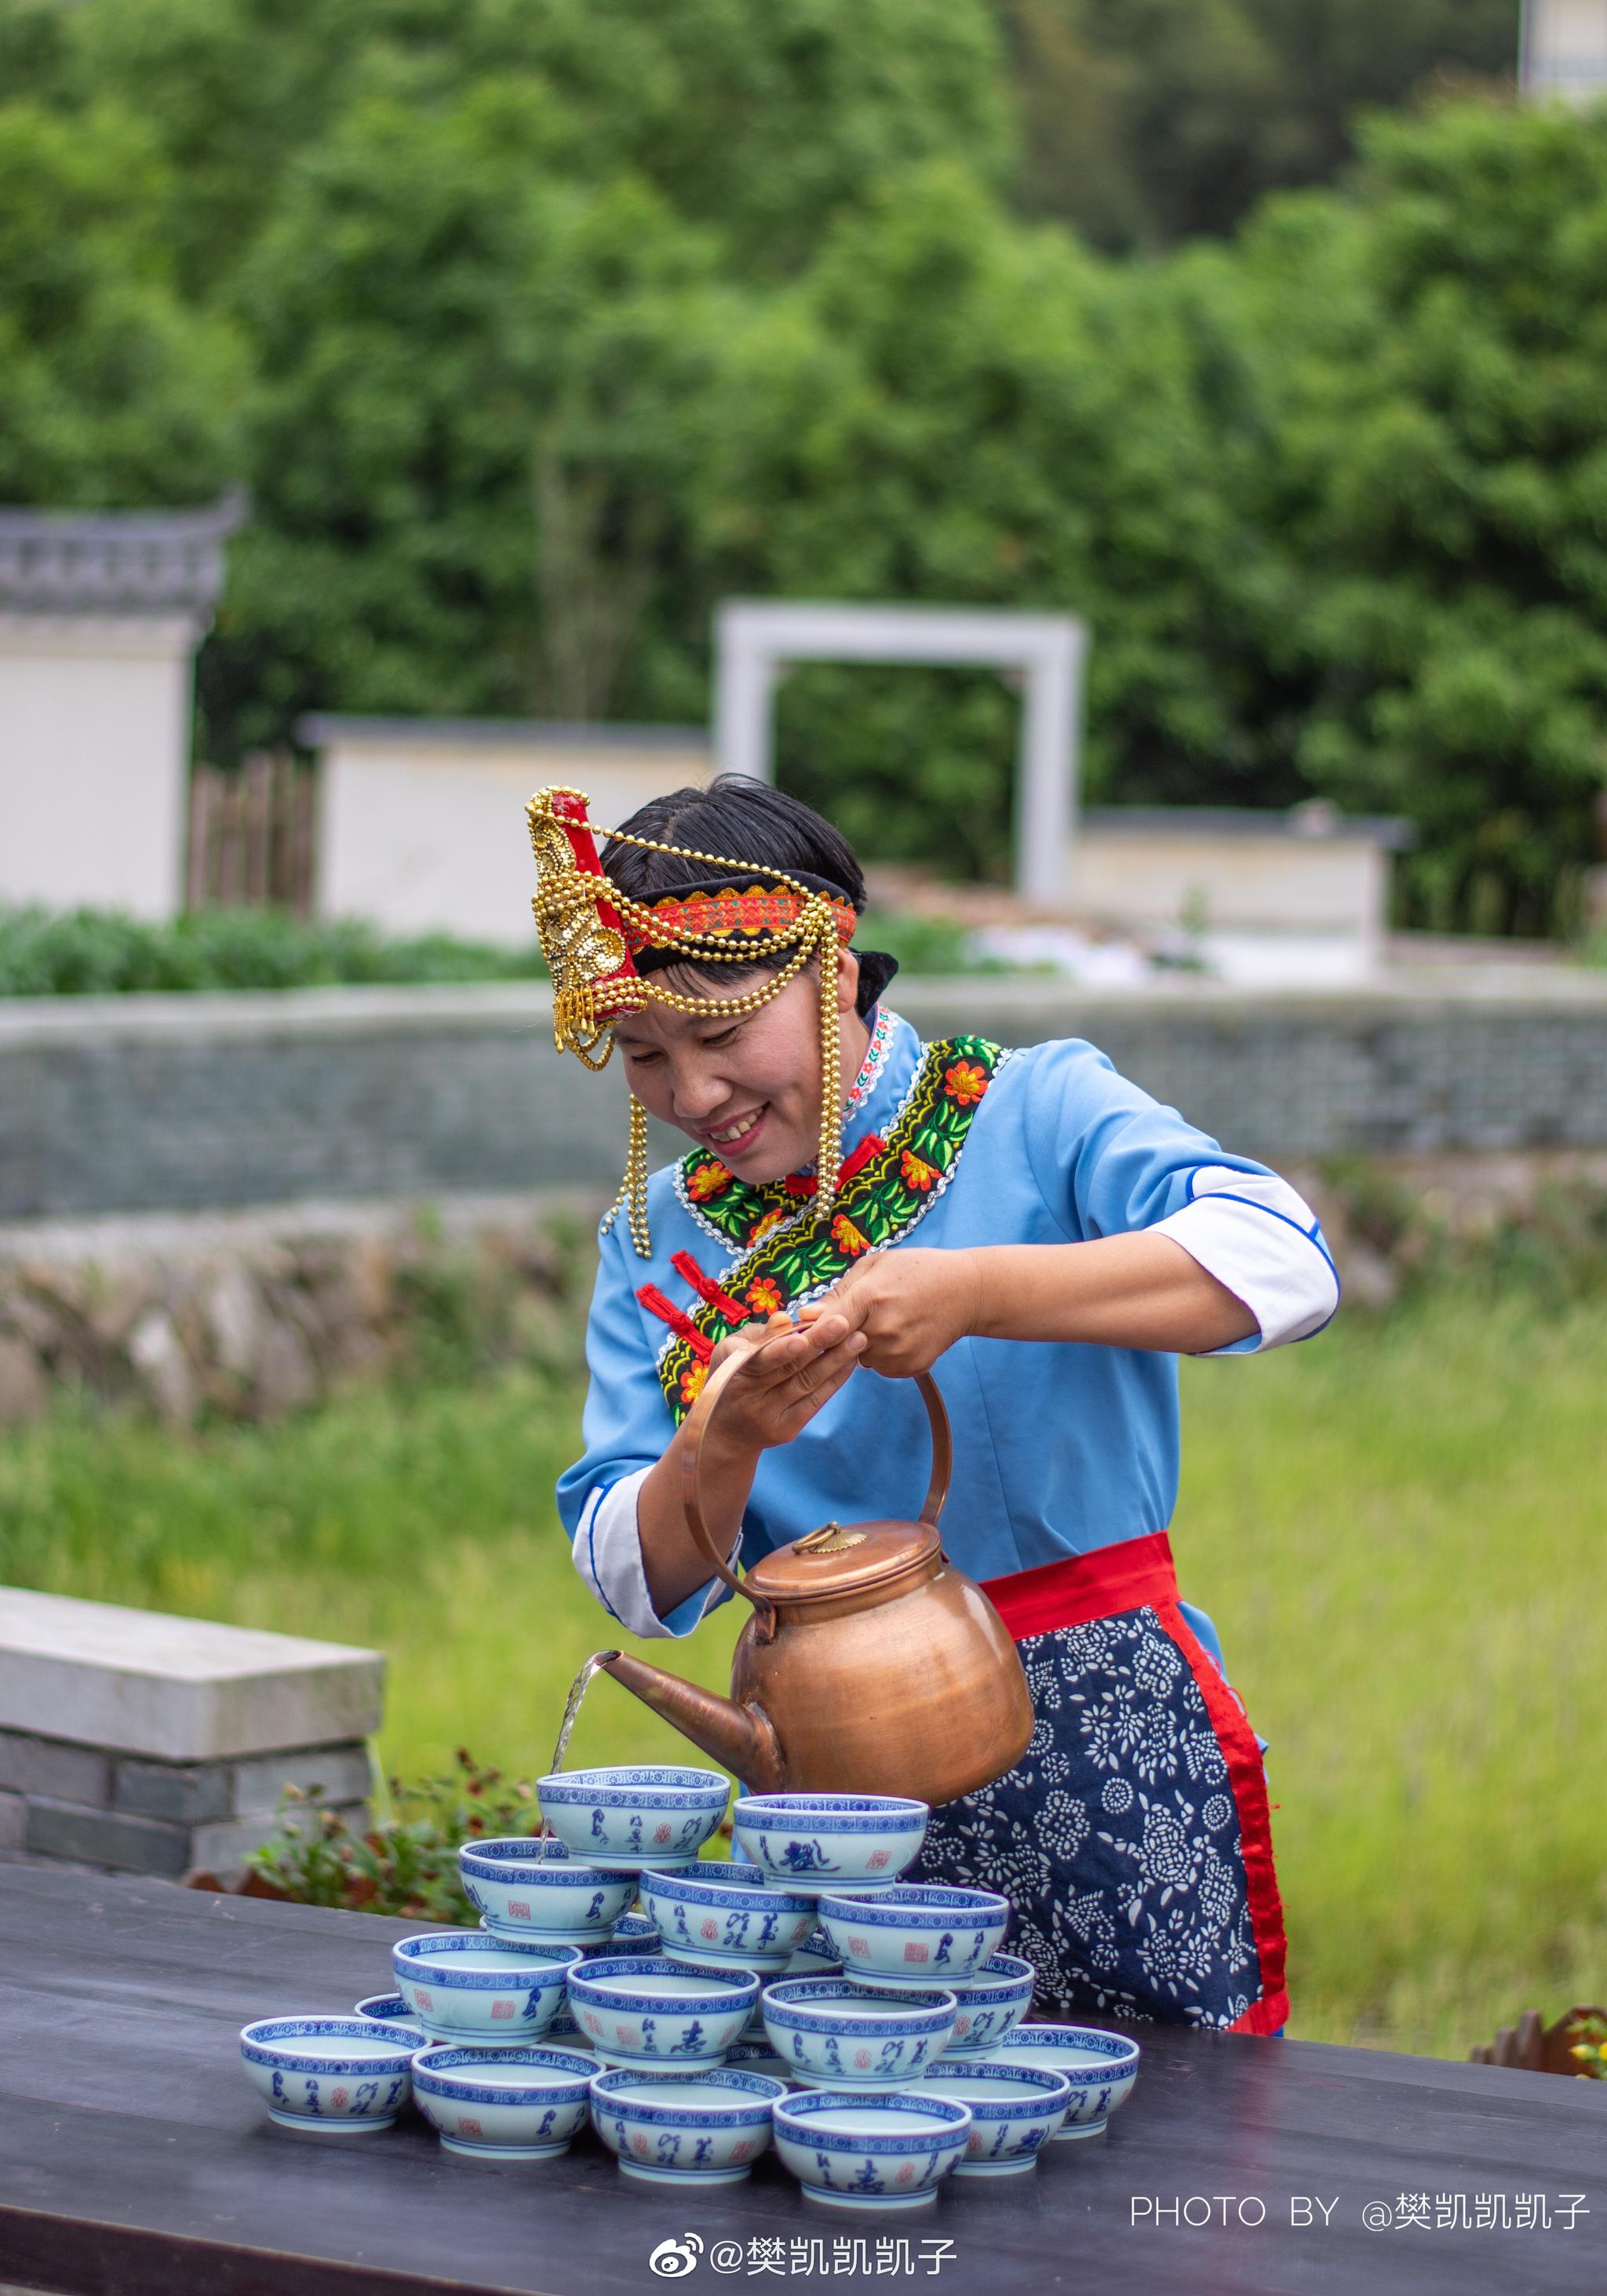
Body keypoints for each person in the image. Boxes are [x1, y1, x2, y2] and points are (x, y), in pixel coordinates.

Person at [534, 776, 1338, 2033]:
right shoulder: (652, 1239)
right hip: (828, 1780)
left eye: (720, 1034)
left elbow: (1286, 1262)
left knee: (1164, 2116)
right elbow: (633, 1580)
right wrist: (723, 1440)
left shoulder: (1037, 1108)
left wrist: (980, 1289)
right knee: (856, 2103)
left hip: (1105, 1732)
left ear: (834, 969)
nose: (691, 1096)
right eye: (646, 1056)